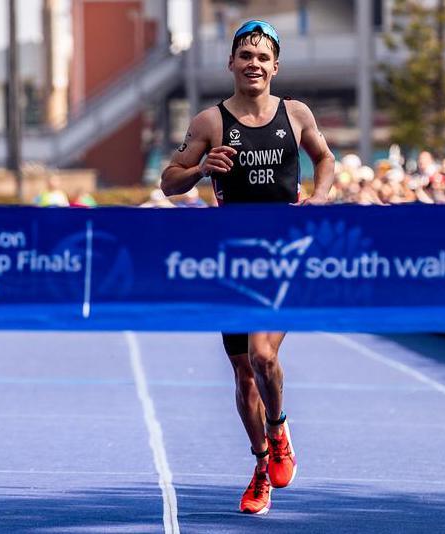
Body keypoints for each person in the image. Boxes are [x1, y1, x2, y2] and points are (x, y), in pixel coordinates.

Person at [160, 19, 334, 515]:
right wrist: (200, 169)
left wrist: (320, 197)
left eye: (263, 57)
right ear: (231, 63)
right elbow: (169, 183)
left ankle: (278, 432)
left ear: (275, 67)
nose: (253, 64)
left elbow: (325, 159)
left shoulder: (295, 114)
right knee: (243, 374)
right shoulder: (209, 122)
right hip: (232, 261)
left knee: (262, 356)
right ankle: (261, 464)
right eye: (246, 56)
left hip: (284, 257)